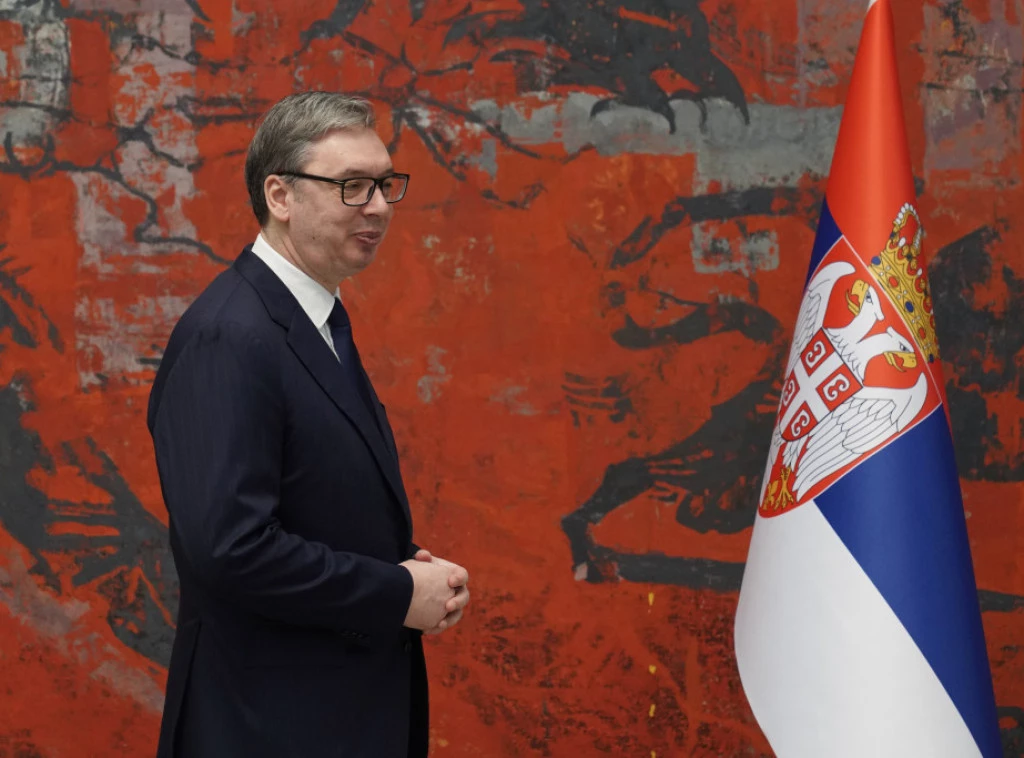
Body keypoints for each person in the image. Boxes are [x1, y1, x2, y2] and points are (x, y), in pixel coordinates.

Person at [147, 91, 470, 758]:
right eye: (351, 185)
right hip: (264, 726)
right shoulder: (229, 337)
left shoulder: (314, 319)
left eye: (384, 184)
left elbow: (312, 501)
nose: (378, 206)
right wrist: (396, 592)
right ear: (281, 195)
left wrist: (405, 569)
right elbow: (230, 549)